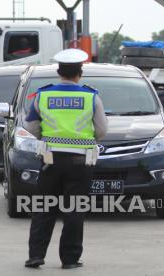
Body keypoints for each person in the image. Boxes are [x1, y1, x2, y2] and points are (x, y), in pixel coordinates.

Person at [24, 49, 108, 269]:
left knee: (43, 207)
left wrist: (48, 136)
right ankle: (69, 260)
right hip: (81, 163)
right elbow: (102, 131)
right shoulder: (91, 96)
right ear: (80, 73)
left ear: (58, 71)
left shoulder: (42, 95)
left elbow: (30, 126)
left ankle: (36, 256)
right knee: (74, 209)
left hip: (49, 160)